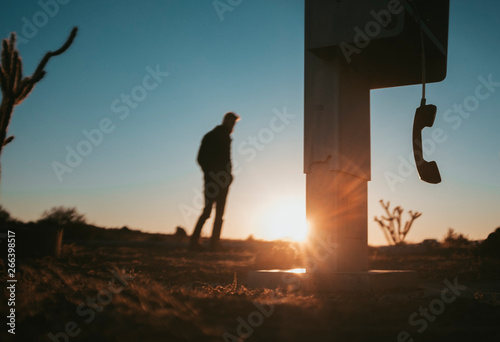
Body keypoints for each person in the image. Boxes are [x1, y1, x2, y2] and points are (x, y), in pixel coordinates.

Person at [189, 112, 240, 252]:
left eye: (234, 123)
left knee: (219, 214)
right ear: (226, 121)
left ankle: (214, 245)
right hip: (212, 181)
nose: (233, 125)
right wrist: (211, 174)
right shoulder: (212, 136)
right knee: (207, 212)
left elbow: (227, 160)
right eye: (231, 122)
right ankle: (194, 243)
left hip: (224, 181)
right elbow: (201, 158)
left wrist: (229, 176)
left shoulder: (227, 137)